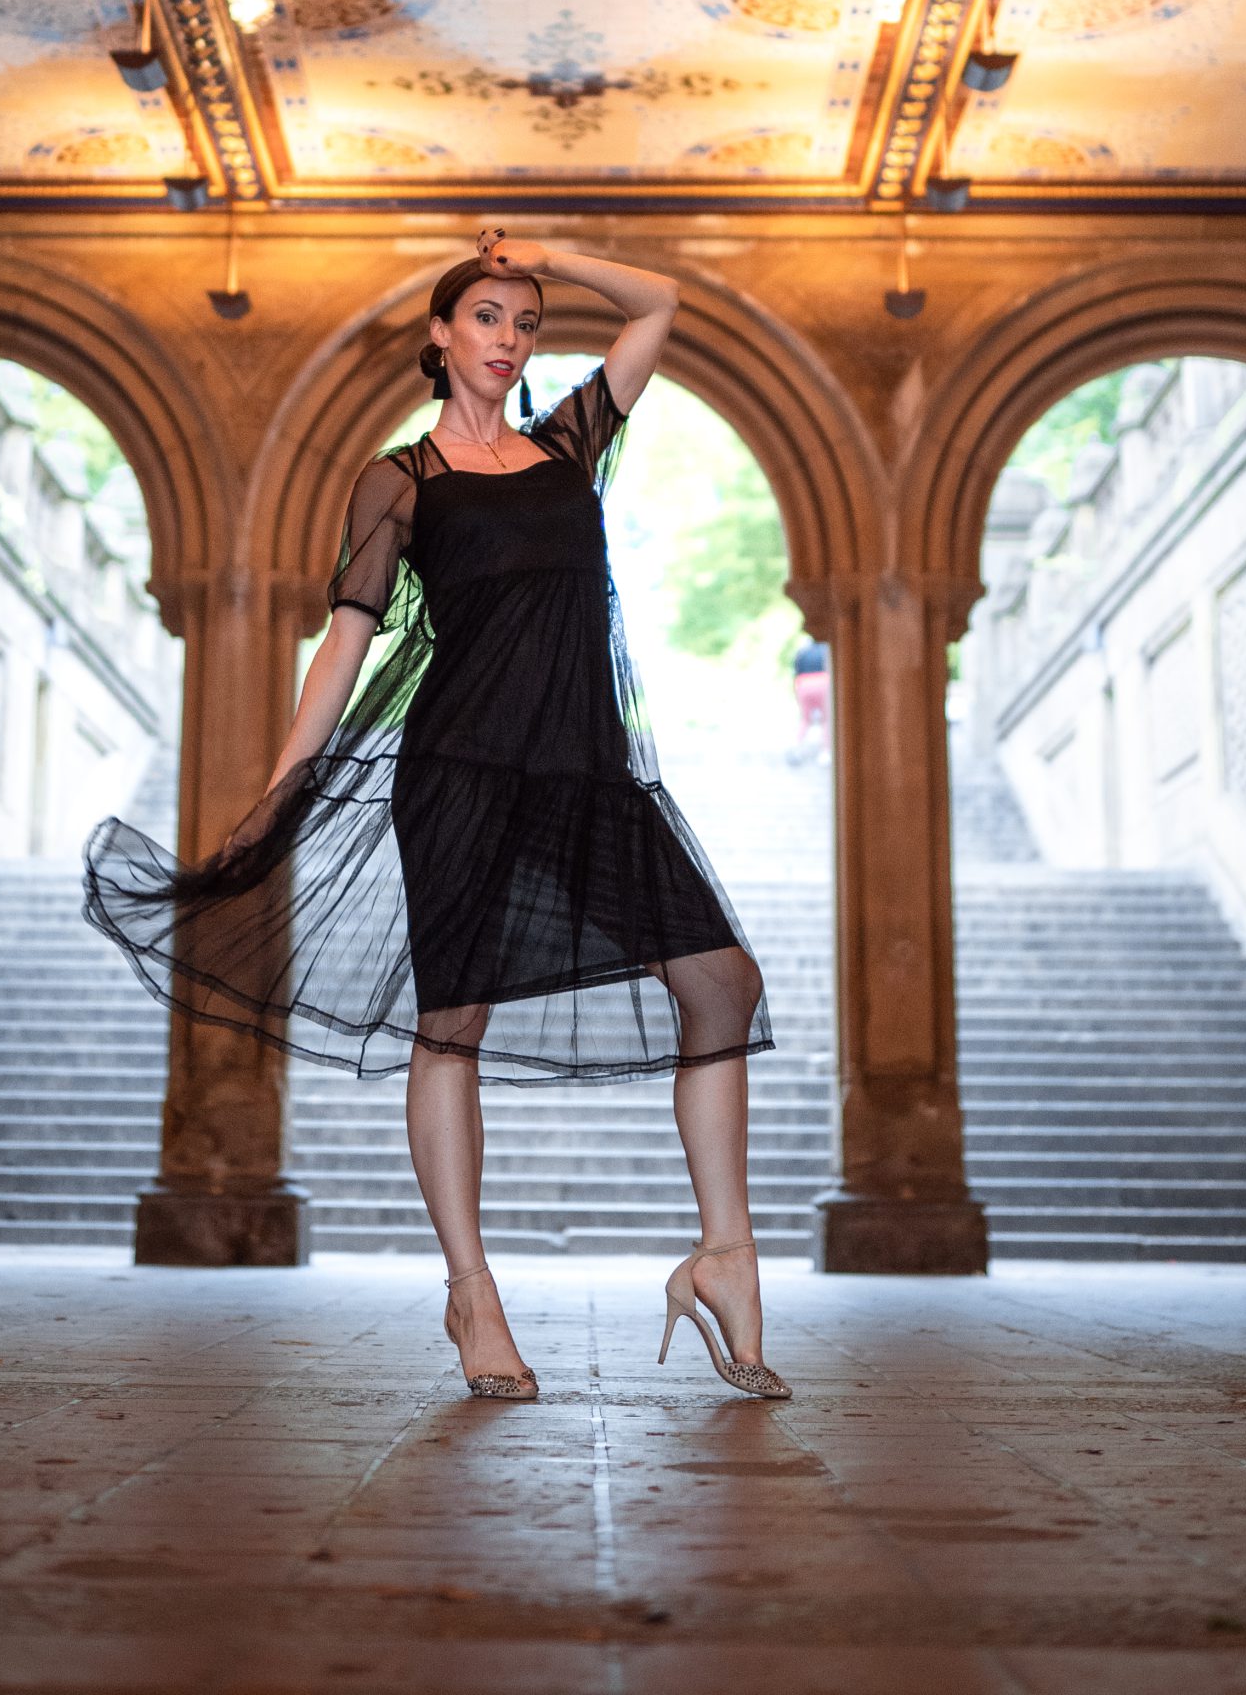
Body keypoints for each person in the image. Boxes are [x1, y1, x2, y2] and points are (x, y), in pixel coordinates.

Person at [85, 230, 788, 1403]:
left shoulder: (571, 445)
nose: (509, 340)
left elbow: (656, 302)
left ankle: (723, 1252)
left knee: (722, 981)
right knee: (449, 1024)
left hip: (588, 776)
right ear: (437, 335)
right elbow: (344, 643)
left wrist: (545, 251)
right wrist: (280, 783)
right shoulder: (399, 481)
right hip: (456, 772)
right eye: (486, 318)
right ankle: (471, 1289)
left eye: (524, 322)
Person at [790, 637, 831, 764]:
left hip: (803, 684)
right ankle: (825, 752)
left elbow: (796, 671)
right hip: (823, 682)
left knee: (805, 719)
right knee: (826, 719)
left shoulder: (802, 652)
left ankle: (796, 746)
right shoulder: (825, 650)